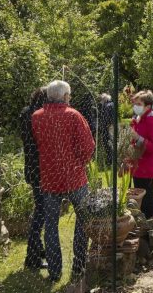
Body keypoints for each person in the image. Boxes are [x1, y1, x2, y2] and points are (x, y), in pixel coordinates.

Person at [32, 80, 95, 282]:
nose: (70, 98)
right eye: (70, 95)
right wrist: (81, 162)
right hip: (74, 177)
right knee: (84, 219)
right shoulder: (73, 115)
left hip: (50, 178)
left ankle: (55, 271)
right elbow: (88, 146)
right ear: (65, 96)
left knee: (50, 225)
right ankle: (78, 266)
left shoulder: (37, 117)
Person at [20, 87, 48, 271]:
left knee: (40, 208)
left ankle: (38, 248)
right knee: (41, 212)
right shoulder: (40, 116)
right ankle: (32, 257)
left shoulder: (25, 112)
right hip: (42, 170)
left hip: (31, 168)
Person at [129, 90, 153, 219]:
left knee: (148, 203)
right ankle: (144, 230)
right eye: (135, 103)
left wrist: (138, 139)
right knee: (140, 203)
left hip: (146, 169)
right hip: (137, 167)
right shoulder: (139, 119)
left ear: (147, 106)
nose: (135, 106)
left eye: (138, 104)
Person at [98, 93, 114, 166]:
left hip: (107, 127)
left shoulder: (106, 106)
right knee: (112, 142)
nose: (100, 101)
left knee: (107, 143)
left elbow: (106, 118)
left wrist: (105, 126)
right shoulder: (112, 104)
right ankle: (112, 159)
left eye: (101, 99)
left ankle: (110, 160)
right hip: (112, 126)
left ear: (104, 99)